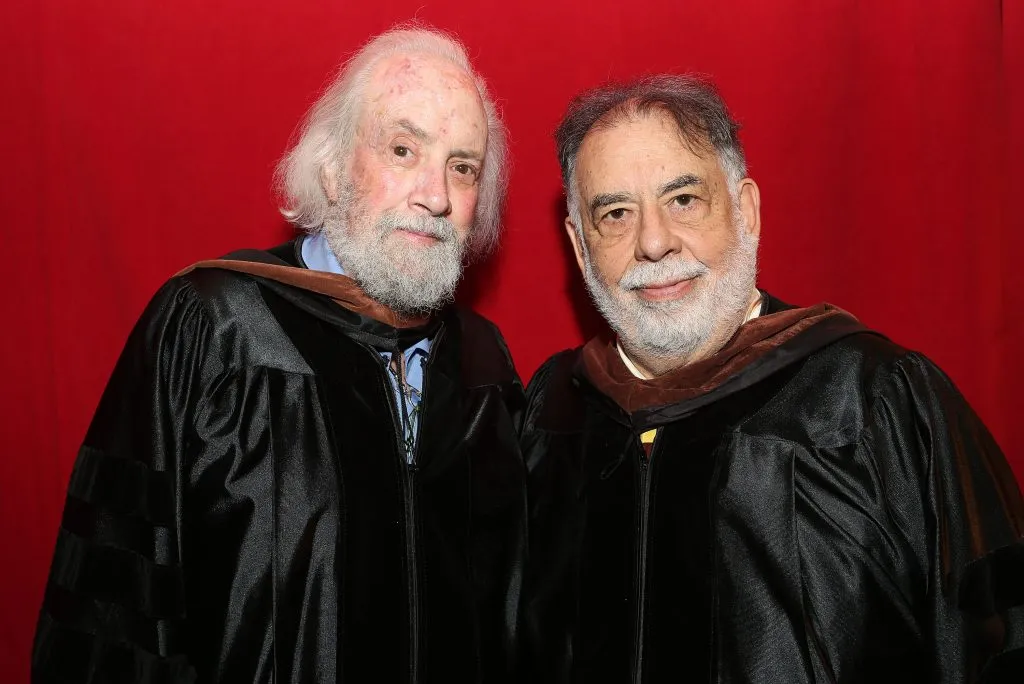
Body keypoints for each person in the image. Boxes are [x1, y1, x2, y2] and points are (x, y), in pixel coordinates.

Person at [32, 26, 526, 683]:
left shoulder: (485, 367)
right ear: (331, 168)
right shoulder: (215, 329)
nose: (434, 195)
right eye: (402, 149)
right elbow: (115, 617)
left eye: (462, 167)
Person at [521, 75, 1024, 683]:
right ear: (580, 246)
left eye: (684, 200)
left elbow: (995, 640)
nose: (653, 243)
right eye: (617, 213)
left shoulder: (876, 402)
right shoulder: (552, 414)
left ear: (747, 210)